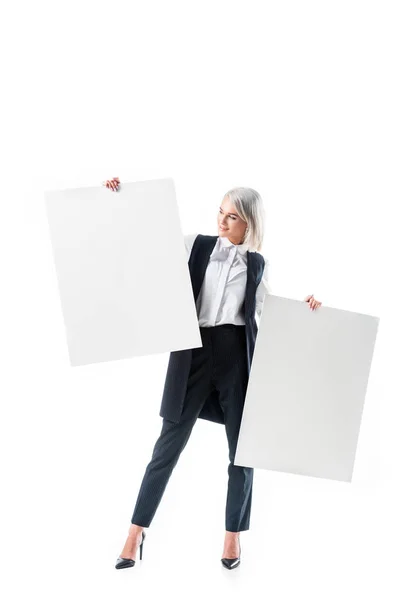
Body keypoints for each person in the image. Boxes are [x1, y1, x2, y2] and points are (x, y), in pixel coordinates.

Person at [103, 176, 322, 570]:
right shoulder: (196, 245)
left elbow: (271, 312)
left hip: (236, 359)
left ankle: (232, 537)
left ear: (249, 225)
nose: (221, 222)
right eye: (220, 212)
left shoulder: (257, 264)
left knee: (243, 449)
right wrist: (119, 199)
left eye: (232, 216)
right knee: (167, 447)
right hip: (194, 354)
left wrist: (306, 307)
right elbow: (146, 244)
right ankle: (135, 533)